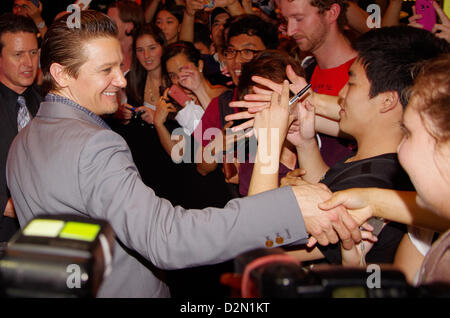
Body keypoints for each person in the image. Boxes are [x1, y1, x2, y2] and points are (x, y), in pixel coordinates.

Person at [6, 10, 360, 298]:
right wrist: (290, 206)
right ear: (61, 74)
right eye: (105, 70)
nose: (119, 79)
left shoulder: (23, 141)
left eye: (119, 66)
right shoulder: (93, 144)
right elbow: (166, 239)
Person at [242, 26, 450, 266]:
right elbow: (335, 187)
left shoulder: (381, 177)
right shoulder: (373, 174)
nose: (341, 92)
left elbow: (256, 241)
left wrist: (269, 142)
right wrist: (306, 143)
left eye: (411, 134)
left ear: (387, 100)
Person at [320, 54, 450, 286]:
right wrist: (356, 268)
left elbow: (263, 244)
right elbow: (398, 289)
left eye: (408, 133)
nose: (399, 149)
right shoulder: (428, 231)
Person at [0, 13, 41, 243]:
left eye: (33, 53)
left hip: (43, 238)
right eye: (18, 55)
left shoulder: (46, 104)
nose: (28, 63)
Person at [107, 0, 145, 73]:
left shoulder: (144, 55)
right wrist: (77, 14)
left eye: (112, 22)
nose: (106, 26)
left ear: (129, 26)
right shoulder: (103, 51)